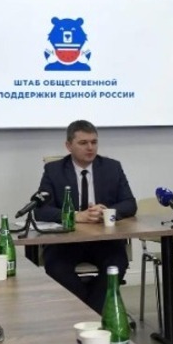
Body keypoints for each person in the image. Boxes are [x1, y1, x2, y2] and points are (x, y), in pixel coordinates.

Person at [34, 120, 137, 313]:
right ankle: (95, 312)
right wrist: (75, 216)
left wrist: (106, 212)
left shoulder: (112, 167)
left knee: (116, 264)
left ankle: (88, 315)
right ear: (68, 146)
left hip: (104, 241)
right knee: (56, 267)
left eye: (94, 142)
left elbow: (130, 203)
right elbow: (41, 210)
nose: (90, 148)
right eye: (83, 143)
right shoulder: (54, 170)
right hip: (66, 243)